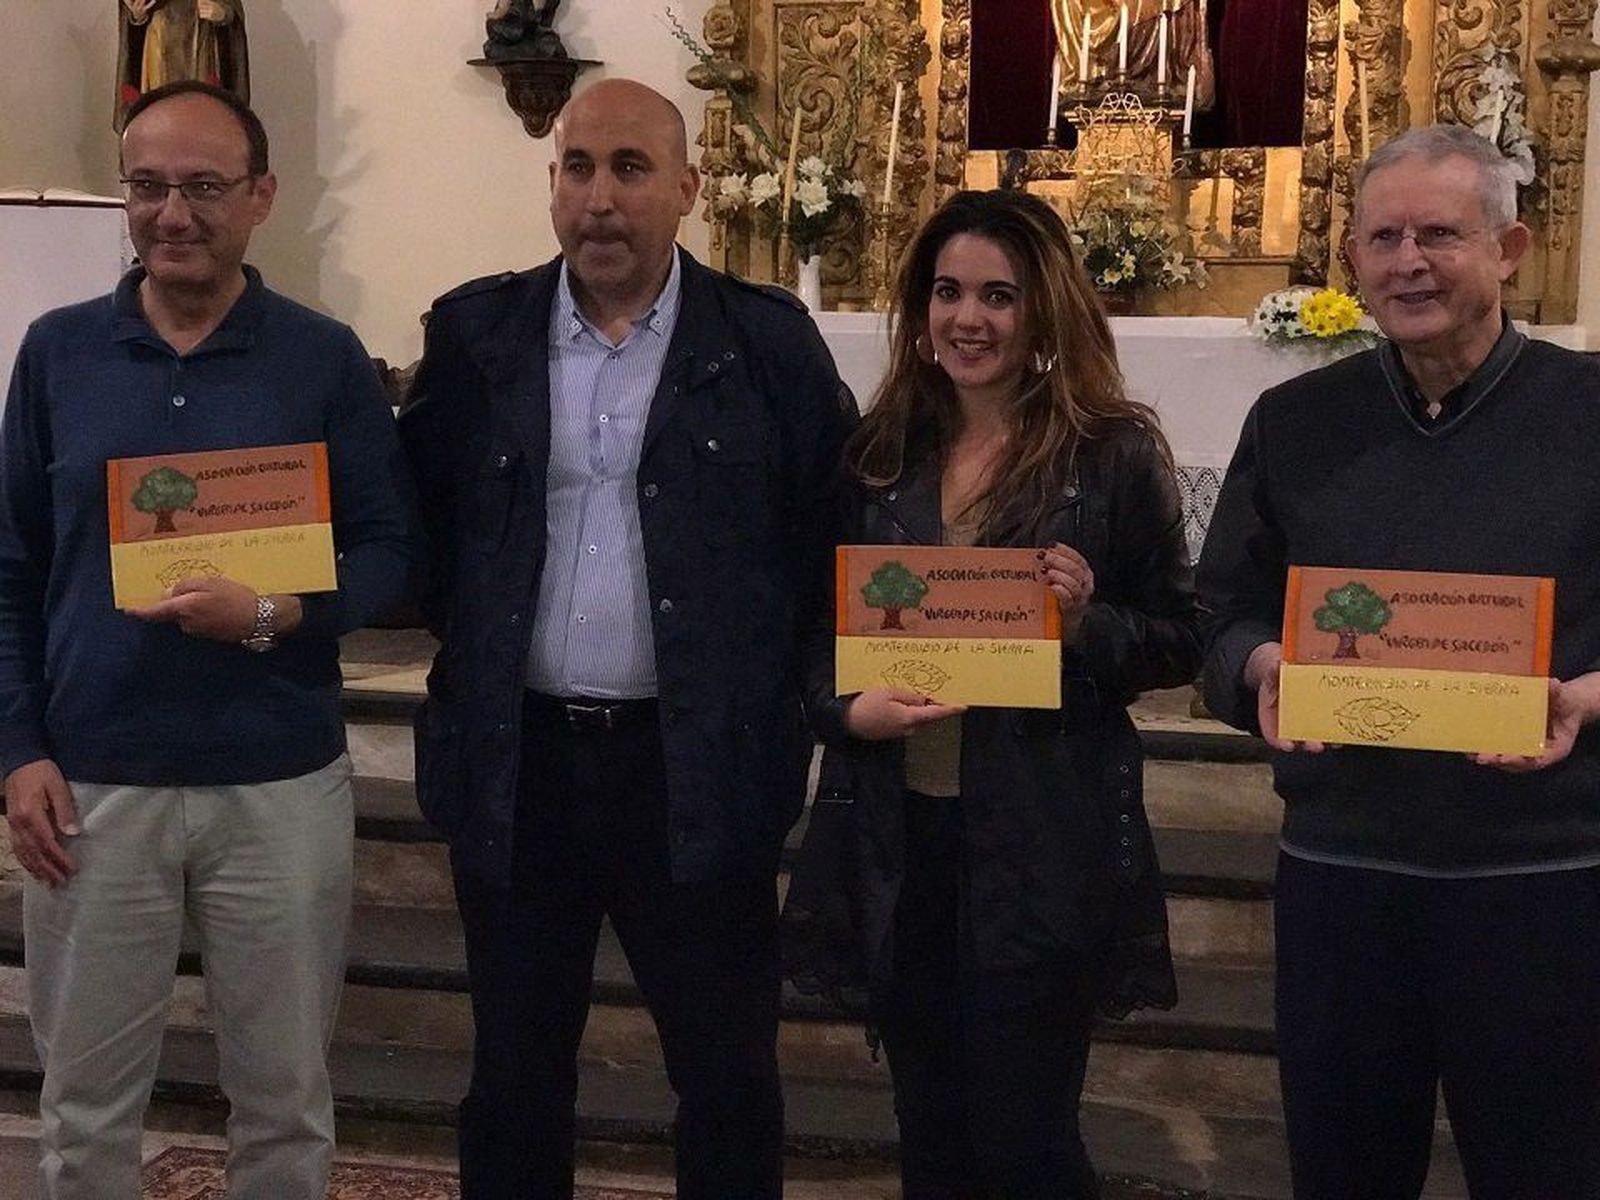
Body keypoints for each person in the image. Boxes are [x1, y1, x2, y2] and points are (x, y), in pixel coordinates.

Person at [398, 78, 855, 1200]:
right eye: (578, 167)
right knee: (510, 1077)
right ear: (553, 183)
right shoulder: (475, 336)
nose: (600, 199)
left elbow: (828, 541)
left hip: (692, 772)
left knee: (727, 1079)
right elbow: (420, 530)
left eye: (631, 169)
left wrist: (793, 703)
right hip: (522, 767)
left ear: (689, 190)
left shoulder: (767, 346)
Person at [1, 81, 412, 1198]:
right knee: (83, 1112)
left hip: (275, 778)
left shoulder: (322, 359)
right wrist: (19, 751)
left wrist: (278, 613)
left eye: (202, 188)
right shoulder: (56, 354)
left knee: (282, 1106)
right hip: (94, 783)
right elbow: (11, 572)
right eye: (146, 186)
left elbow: (387, 549)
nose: (171, 213)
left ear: (262, 196)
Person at [1197, 123, 1600, 1196]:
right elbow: (1217, 615)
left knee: (1546, 1171)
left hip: (1543, 881)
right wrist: (1260, 669)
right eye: (1382, 237)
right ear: (1353, 262)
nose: (1407, 261)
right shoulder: (1293, 422)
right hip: (1343, 876)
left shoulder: (1591, 412)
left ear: (1508, 251)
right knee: (1341, 1170)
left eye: (1438, 234)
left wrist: (1586, 697)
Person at [785, 188, 1199, 1199]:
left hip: (1038, 837)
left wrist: (1088, 620)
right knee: (927, 1129)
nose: (968, 318)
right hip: (899, 835)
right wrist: (845, 711)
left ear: (1043, 310)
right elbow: (807, 634)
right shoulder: (875, 455)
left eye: (998, 296)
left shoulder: (1112, 452)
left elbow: (1181, 637)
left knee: (1026, 1140)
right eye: (948, 292)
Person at [116, 1, 250, 131]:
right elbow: (132, 10)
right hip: (160, 38)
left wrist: (223, 13)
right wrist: (136, 13)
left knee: (201, 114)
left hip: (200, 38)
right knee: (160, 114)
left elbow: (232, 8)